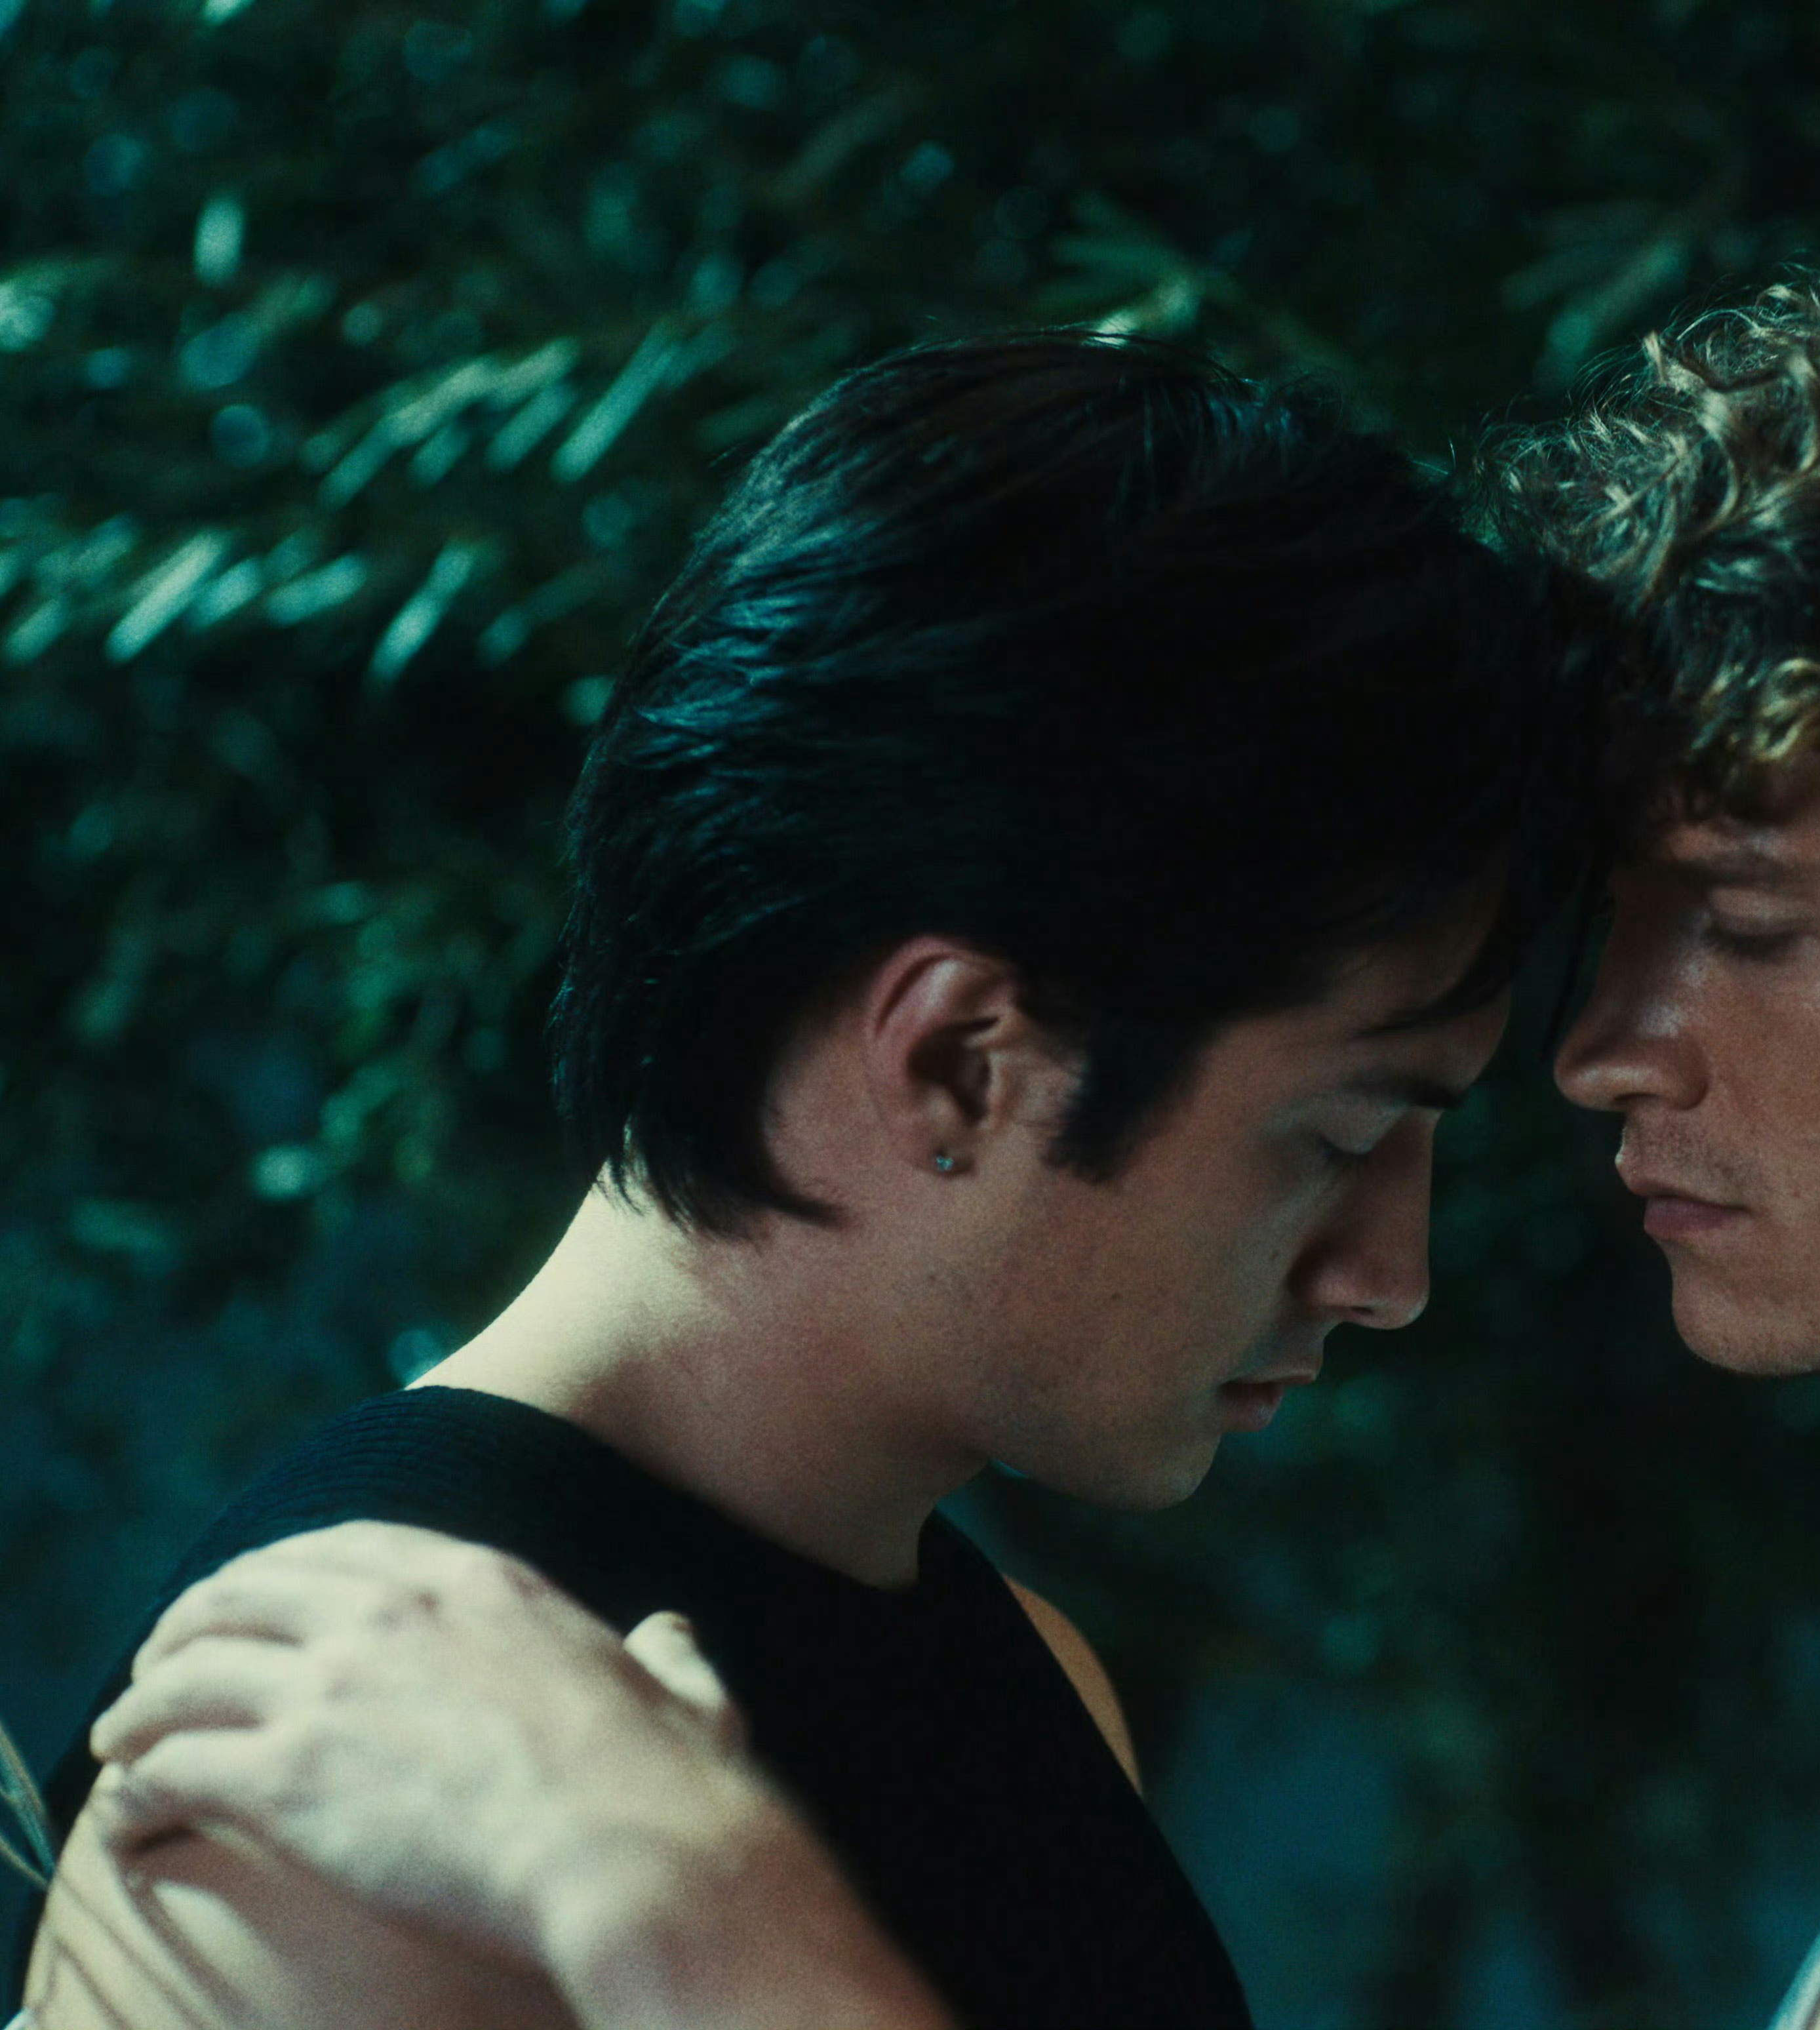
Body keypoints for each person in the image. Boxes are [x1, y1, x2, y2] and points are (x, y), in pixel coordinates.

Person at [38, 235, 1820, 2029]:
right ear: (953, 1061)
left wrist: (681, 1912)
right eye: (1347, 1119)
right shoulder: (331, 1769)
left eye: (1748, 918)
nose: (1603, 1062)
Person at [10, 332, 1598, 2029]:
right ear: (958, 1060)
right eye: (1340, 1138)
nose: (1391, 1271)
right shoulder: (323, 1805)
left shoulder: (1017, 1682)